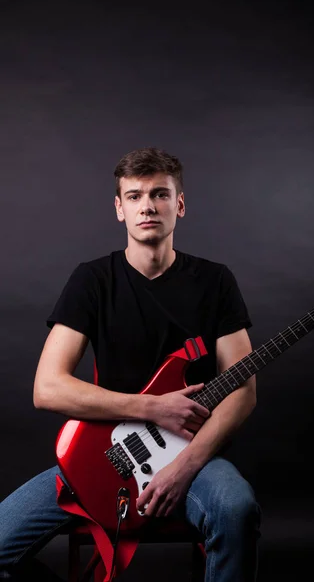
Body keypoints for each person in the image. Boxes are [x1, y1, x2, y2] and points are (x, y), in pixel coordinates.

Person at [0, 147, 261, 581]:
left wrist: (185, 467)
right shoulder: (93, 280)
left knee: (236, 508)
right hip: (104, 454)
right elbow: (47, 388)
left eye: (160, 194)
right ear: (120, 209)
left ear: (179, 205)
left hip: (191, 453)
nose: (148, 206)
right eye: (135, 196)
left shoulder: (215, 281)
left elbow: (243, 391)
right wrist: (151, 408)